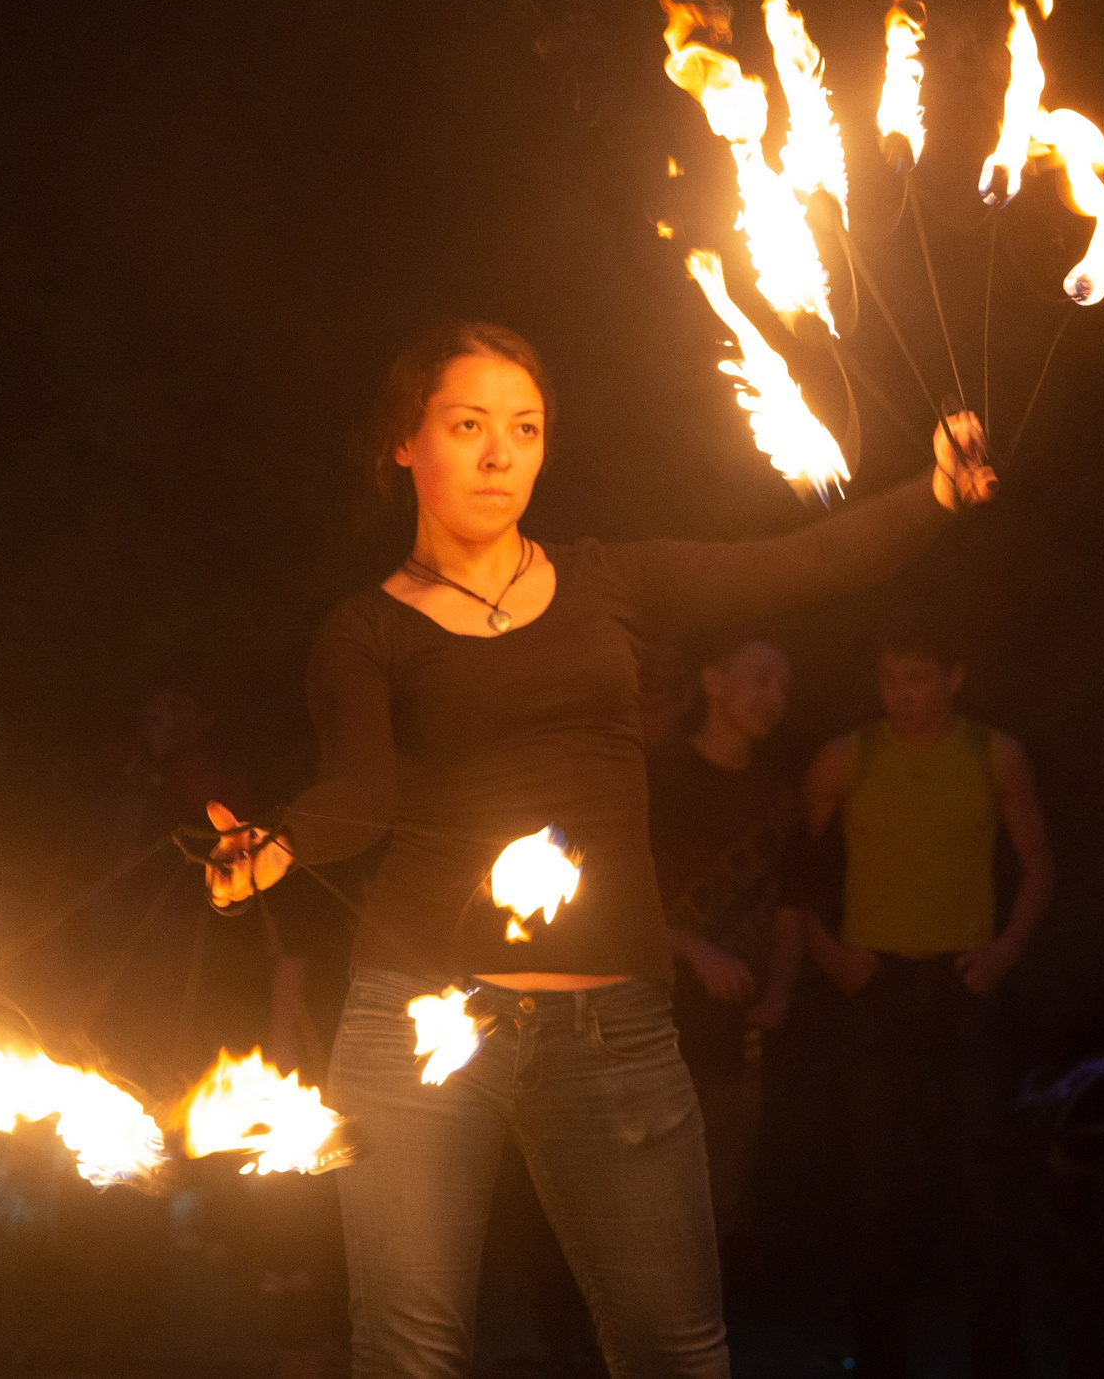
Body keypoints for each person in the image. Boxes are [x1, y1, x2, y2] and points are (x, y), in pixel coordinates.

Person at [202, 320, 997, 1379]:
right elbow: (360, 794)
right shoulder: (366, 629)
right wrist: (277, 846)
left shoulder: (609, 583)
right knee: (409, 1359)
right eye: (468, 425)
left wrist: (932, 494)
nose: (500, 454)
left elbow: (798, 562)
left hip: (612, 1033)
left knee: (675, 1355)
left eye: (525, 428)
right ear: (405, 440)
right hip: (413, 1017)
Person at [797, 609, 1053, 1379]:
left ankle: (998, 1362)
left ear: (952, 678)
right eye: (888, 678)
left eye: (916, 678)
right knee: (871, 1193)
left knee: (982, 1187)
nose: (900, 694)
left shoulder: (994, 753)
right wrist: (830, 954)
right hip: (874, 986)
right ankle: (881, 1361)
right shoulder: (846, 756)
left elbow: (1040, 865)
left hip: (959, 983)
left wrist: (1005, 950)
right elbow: (796, 875)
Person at [644, 636, 807, 1261]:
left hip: (738, 1025)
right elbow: (611, 899)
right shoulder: (660, 780)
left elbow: (792, 906)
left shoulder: (779, 797)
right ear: (713, 682)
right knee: (652, 1180)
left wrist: (781, 992)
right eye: (759, 679)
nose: (773, 698)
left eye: (782, 686)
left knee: (721, 1189)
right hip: (656, 1014)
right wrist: (692, 948)